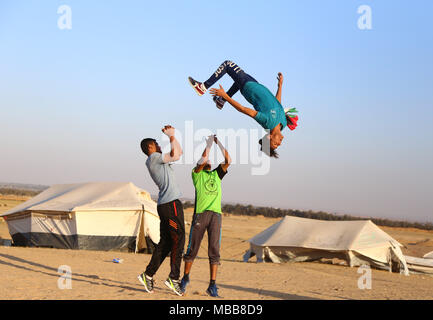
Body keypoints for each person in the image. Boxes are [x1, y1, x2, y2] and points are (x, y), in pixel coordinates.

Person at [188, 60, 298, 158]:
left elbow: (242, 109)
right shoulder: (283, 123)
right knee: (237, 80)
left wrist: (225, 95)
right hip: (256, 84)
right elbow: (277, 104)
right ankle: (221, 101)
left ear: (269, 137)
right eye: (278, 145)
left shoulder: (267, 122)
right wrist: (280, 85)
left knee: (227, 64)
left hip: (249, 88)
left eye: (275, 144)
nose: (279, 143)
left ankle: (203, 87)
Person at [180, 134, 231, 297]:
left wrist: (219, 143)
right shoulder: (197, 175)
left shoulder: (217, 175)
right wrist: (208, 145)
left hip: (216, 215)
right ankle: (185, 278)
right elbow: (202, 160)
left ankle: (212, 285)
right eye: (206, 161)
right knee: (192, 248)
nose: (208, 161)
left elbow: (228, 160)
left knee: (214, 250)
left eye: (210, 160)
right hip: (201, 214)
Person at [137, 125, 185, 296]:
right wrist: (171, 135)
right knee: (178, 240)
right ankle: (174, 278)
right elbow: (176, 154)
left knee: (165, 244)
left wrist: (173, 136)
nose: (158, 145)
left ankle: (148, 275)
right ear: (150, 147)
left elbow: (179, 153)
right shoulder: (154, 157)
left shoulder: (154, 159)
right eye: (156, 143)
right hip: (171, 205)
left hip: (165, 205)